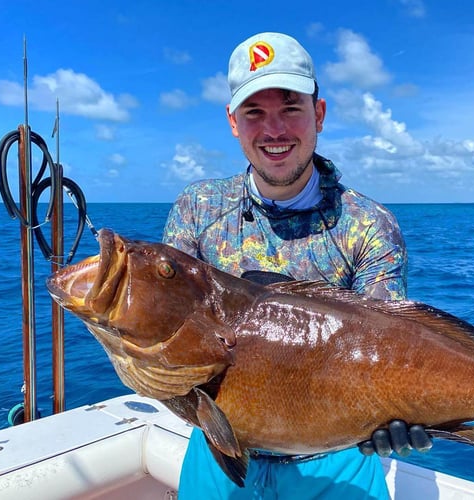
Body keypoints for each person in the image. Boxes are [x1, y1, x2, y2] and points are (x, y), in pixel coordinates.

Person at [163, 32, 430, 500]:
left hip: (338, 459)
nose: (274, 130)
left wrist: (407, 417)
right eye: (254, 113)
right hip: (218, 453)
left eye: (290, 108)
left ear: (319, 115)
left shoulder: (368, 225)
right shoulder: (197, 209)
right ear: (232, 123)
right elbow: (171, 348)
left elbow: (392, 352)